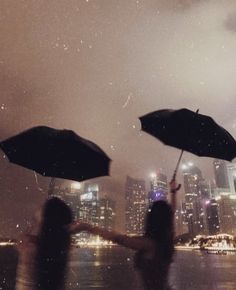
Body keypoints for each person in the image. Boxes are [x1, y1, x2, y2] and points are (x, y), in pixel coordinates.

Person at [70, 180, 180, 290]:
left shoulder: (148, 244)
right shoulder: (166, 241)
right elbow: (171, 213)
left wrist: (87, 227)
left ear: (152, 220)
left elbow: (118, 238)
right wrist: (173, 192)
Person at [15, 197, 73, 290]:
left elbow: (21, 240)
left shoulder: (30, 248)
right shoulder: (62, 247)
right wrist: (87, 227)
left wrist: (34, 223)